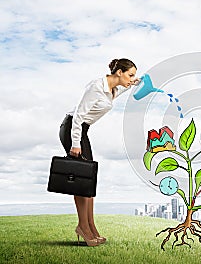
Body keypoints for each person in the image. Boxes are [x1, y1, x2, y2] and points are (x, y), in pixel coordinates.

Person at [59, 58, 140, 246]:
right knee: (81, 181)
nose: (132, 78)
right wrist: (75, 144)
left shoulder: (110, 89)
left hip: (82, 131)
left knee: (89, 181)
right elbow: (78, 115)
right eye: (130, 75)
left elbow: (115, 93)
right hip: (73, 129)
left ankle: (91, 226)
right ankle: (83, 227)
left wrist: (133, 84)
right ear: (119, 72)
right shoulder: (97, 86)